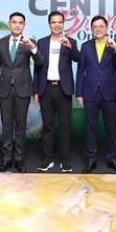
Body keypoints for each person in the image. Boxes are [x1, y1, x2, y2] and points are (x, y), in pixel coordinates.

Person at [0, 12, 44, 173]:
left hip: (23, 89)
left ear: (24, 25)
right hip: (4, 89)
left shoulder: (29, 43)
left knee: (21, 126)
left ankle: (19, 160)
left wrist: (32, 47)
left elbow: (40, 62)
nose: (17, 25)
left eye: (20, 23)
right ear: (9, 24)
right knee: (6, 126)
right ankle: (6, 159)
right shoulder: (0, 44)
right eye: (14, 22)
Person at [76, 15, 116, 173]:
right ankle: (91, 158)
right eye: (95, 27)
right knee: (90, 128)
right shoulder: (85, 46)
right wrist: (79, 93)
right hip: (90, 93)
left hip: (109, 93)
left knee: (111, 127)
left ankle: (112, 158)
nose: (98, 29)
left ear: (106, 28)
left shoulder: (115, 44)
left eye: (101, 26)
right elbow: (80, 71)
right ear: (91, 29)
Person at [33, 11, 80, 173]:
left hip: (63, 89)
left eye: (60, 22)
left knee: (65, 126)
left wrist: (70, 48)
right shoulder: (41, 42)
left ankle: (65, 160)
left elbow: (79, 59)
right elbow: (37, 67)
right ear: (49, 24)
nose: (57, 25)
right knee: (48, 126)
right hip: (45, 88)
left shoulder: (70, 41)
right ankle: (47, 159)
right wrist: (36, 90)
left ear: (63, 24)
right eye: (54, 22)